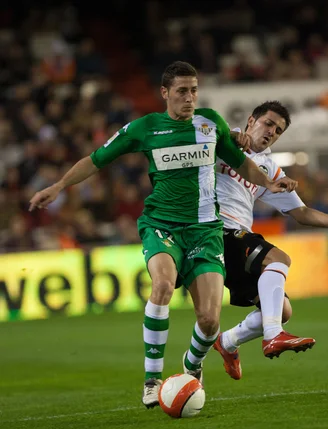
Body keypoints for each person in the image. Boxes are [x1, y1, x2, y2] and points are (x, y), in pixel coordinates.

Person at [28, 62, 297, 408]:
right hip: (162, 225)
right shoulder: (146, 128)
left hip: (205, 229)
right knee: (163, 286)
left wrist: (269, 183)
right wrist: (59, 185)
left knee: (210, 319)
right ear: (165, 93)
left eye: (194, 90)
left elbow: (243, 163)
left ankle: (191, 366)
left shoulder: (210, 122)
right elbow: (96, 159)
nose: (189, 98)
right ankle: (152, 380)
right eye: (182, 91)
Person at [213, 100, 328, 379]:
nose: (271, 132)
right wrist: (225, 135)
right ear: (251, 121)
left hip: (236, 239)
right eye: (267, 124)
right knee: (279, 258)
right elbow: (200, 132)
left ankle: (226, 342)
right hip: (215, 230)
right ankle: (274, 336)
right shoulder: (222, 141)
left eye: (278, 130)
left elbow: (301, 212)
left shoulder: (268, 168)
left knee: (282, 309)